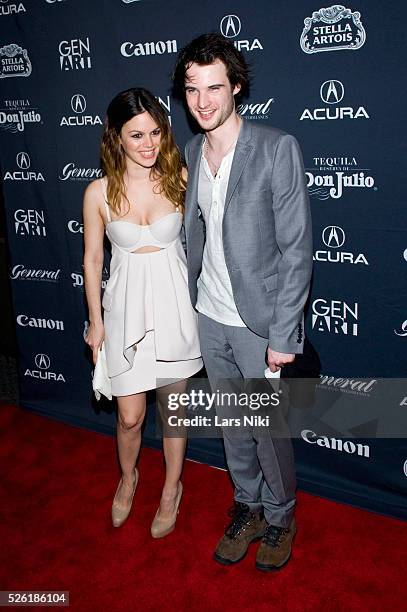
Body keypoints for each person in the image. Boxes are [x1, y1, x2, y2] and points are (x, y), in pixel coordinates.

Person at [173, 34, 313, 570]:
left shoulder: (276, 147)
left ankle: (280, 518)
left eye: (214, 87)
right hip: (211, 316)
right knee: (234, 425)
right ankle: (248, 507)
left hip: (259, 324)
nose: (203, 101)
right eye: (192, 89)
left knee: (268, 431)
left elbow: (296, 248)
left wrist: (283, 334)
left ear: (236, 87)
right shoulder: (192, 150)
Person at [83, 88, 202, 537]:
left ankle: (172, 488)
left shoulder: (181, 180)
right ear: (116, 137)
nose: (149, 144)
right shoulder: (98, 192)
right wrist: (95, 323)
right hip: (125, 313)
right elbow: (93, 260)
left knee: (174, 411)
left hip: (175, 310)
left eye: (155, 132)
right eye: (137, 135)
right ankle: (129, 477)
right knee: (130, 415)